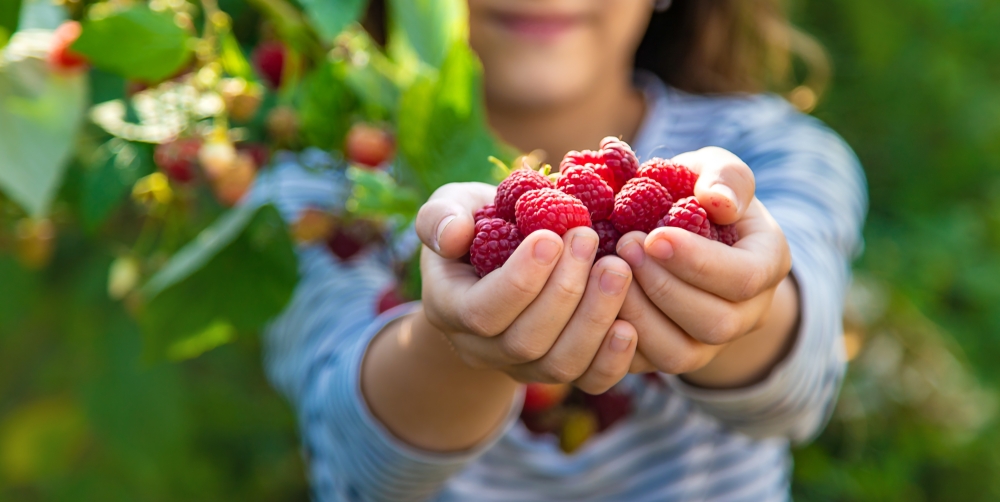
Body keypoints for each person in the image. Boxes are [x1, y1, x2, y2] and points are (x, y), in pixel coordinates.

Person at [256, 0, 867, 500]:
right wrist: (461, 340)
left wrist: (743, 301)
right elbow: (357, 460)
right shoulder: (326, 190)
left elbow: (798, 395)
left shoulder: (774, 150)